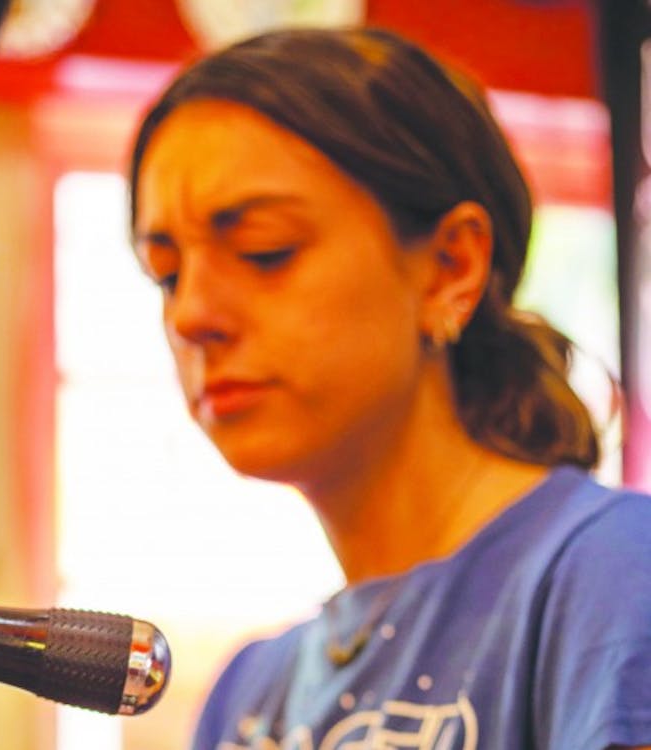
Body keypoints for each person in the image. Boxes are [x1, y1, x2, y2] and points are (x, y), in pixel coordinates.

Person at [126, 27, 651, 750]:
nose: (190, 315)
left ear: (449, 267)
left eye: (264, 251)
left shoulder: (614, 574)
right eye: (166, 273)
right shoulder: (248, 693)